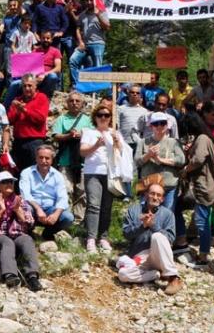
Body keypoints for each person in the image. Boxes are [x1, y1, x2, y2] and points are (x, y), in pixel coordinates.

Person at [80, 104, 130, 253]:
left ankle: (103, 237)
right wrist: (96, 145)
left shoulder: (115, 133)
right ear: (95, 117)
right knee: (94, 205)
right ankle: (91, 239)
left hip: (110, 173)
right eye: (100, 115)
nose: (103, 118)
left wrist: (117, 143)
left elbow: (123, 153)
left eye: (107, 115)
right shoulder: (89, 132)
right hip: (93, 172)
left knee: (107, 207)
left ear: (110, 118)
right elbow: (82, 152)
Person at [175, 109, 214, 268]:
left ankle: (203, 255)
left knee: (201, 223)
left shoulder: (202, 139)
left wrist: (185, 170)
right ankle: (185, 242)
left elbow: (198, 159)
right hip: (203, 188)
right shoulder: (205, 137)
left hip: (202, 187)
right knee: (180, 210)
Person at [0, 171, 42, 291]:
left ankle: (32, 276)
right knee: (6, 242)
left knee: (27, 240)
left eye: (11, 182)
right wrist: (1, 210)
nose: (9, 184)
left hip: (16, 235)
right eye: (5, 182)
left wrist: (17, 211)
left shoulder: (20, 201)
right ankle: (10, 275)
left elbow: (30, 223)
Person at [117, 183, 183, 295]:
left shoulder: (168, 214)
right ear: (146, 195)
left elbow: (170, 239)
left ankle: (173, 278)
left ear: (162, 199)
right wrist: (142, 226)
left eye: (158, 195)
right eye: (152, 193)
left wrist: (153, 226)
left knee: (157, 236)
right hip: (139, 257)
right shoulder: (133, 210)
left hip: (158, 256)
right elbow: (126, 234)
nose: (155, 197)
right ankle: (156, 274)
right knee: (123, 275)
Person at [51, 92, 92, 222]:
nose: (74, 103)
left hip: (83, 161)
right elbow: (55, 136)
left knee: (82, 191)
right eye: (71, 101)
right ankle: (66, 218)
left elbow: (94, 137)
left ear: (82, 104)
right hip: (65, 160)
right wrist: (69, 136)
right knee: (66, 189)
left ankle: (79, 220)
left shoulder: (88, 120)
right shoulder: (62, 119)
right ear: (67, 103)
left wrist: (82, 135)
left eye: (77, 101)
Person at [19, 144, 74, 239]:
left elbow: (63, 197)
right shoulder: (26, 173)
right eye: (40, 157)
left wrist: (56, 214)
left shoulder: (58, 175)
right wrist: (38, 209)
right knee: (24, 209)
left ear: (52, 160)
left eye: (47, 158)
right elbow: (25, 194)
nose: (43, 161)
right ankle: (28, 232)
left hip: (50, 209)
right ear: (36, 158)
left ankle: (48, 233)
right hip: (32, 207)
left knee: (68, 218)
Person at [134, 113, 185, 209]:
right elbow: (137, 161)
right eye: (156, 124)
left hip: (168, 186)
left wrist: (161, 160)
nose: (159, 126)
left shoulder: (174, 142)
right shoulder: (143, 142)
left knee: (167, 216)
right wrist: (148, 155)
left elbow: (181, 160)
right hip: (148, 187)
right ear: (151, 126)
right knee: (146, 215)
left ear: (167, 125)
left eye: (162, 123)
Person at [6, 75, 49, 171]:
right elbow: (10, 120)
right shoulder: (17, 100)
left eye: (30, 85)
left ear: (35, 86)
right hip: (18, 142)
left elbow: (40, 119)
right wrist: (17, 110)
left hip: (34, 142)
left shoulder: (42, 98)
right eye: (24, 86)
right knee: (18, 173)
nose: (27, 88)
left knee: (35, 172)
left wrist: (24, 110)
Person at [69, 0, 110, 86]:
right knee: (73, 60)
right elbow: (78, 28)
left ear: (95, 1)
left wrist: (98, 15)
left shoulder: (102, 12)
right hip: (85, 44)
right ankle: (75, 85)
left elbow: (107, 27)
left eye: (91, 0)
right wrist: (80, 42)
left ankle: (97, 90)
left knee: (97, 67)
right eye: (87, 0)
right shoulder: (83, 14)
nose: (89, 2)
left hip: (98, 43)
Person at [32, 31, 62, 98]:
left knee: (53, 76)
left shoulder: (56, 51)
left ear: (51, 40)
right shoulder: (35, 51)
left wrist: (45, 74)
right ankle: (6, 107)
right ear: (40, 39)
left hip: (48, 78)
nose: (46, 40)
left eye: (48, 38)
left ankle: (43, 97)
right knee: (15, 84)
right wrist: (35, 77)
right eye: (43, 38)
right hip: (36, 78)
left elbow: (58, 68)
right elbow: (32, 67)